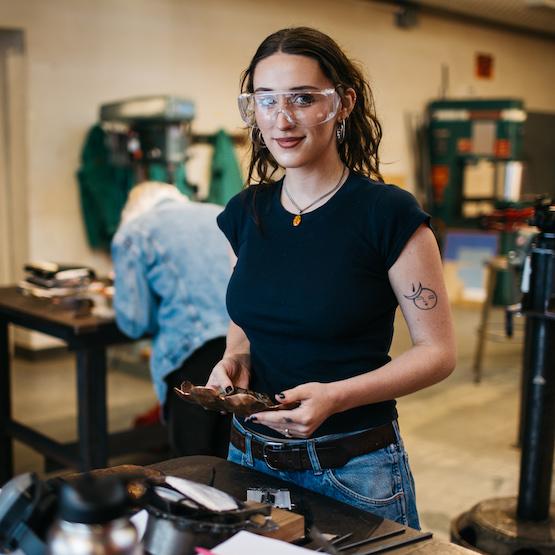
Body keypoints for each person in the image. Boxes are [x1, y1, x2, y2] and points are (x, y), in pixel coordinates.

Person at [206, 27, 456, 528]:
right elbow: (249, 311)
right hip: (248, 456)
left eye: (302, 98)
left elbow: (438, 353)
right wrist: (235, 355)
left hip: (352, 467)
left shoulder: (387, 214)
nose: (282, 119)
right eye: (266, 100)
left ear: (342, 103)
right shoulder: (246, 212)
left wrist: (336, 396)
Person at [111, 181, 232, 458]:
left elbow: (135, 321)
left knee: (195, 463)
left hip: (191, 352)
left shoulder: (135, 230)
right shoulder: (220, 213)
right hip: (246, 344)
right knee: (233, 457)